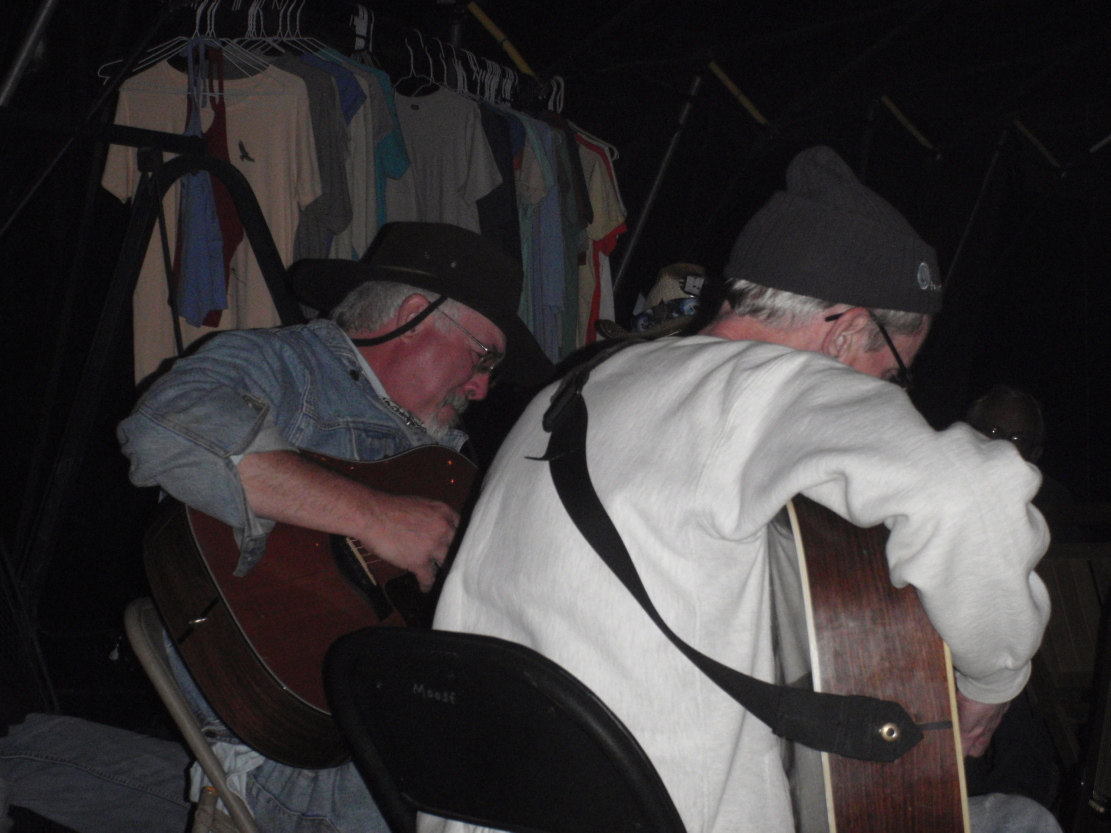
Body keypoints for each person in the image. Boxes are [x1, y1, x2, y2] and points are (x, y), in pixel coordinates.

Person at [429, 147, 1057, 833]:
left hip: (475, 803)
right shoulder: (765, 385)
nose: (885, 397)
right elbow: (972, 494)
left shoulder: (578, 386)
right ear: (848, 330)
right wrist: (992, 680)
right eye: (889, 375)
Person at [112, 221, 544, 832]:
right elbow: (164, 428)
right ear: (414, 316)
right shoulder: (286, 365)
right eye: (484, 357)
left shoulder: (452, 470)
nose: (482, 386)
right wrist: (373, 516)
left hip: (406, 730)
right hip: (291, 756)